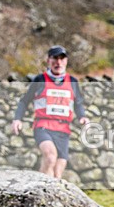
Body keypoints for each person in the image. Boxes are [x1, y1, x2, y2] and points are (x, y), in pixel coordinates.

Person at [11, 45, 89, 179]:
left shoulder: (73, 82)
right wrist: (17, 119)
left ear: (66, 61)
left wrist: (82, 117)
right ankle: (39, 193)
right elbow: (24, 101)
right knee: (50, 157)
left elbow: (78, 103)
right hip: (43, 126)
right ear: (48, 60)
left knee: (57, 174)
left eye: (61, 59)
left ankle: (47, 194)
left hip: (63, 129)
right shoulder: (40, 79)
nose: (58, 63)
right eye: (55, 59)